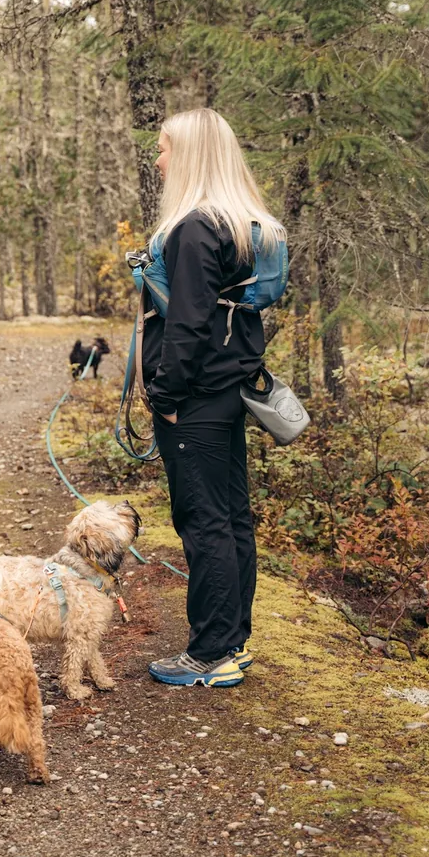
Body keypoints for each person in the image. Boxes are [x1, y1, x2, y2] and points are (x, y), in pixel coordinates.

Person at [141, 107, 284, 688]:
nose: (158, 160)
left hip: (195, 397)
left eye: (165, 148)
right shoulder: (242, 225)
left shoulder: (194, 228)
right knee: (230, 517)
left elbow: (189, 323)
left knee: (202, 521)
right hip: (229, 390)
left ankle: (209, 653)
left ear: (192, 156)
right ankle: (233, 639)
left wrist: (166, 394)